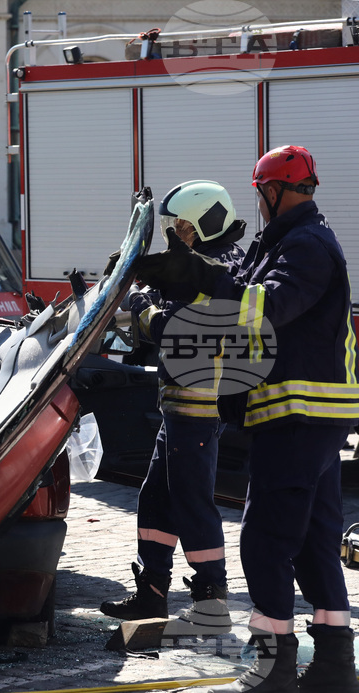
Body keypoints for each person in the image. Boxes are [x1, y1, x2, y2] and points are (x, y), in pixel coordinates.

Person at [137, 146, 359, 693]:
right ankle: (333, 664)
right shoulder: (284, 242)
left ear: (272, 192)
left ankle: (273, 667)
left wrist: (198, 277)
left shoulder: (307, 246)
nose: (258, 204)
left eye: (260, 194)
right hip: (301, 418)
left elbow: (267, 306)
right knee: (311, 539)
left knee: (262, 542)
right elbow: (235, 286)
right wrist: (186, 278)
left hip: (298, 416)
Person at [101, 181, 245, 630]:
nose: (176, 234)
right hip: (181, 404)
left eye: (182, 226)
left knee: (191, 502)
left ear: (204, 223)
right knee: (156, 500)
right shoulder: (209, 262)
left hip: (199, 403)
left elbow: (170, 327)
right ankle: (151, 593)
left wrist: (139, 301)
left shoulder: (214, 267)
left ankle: (211, 601)